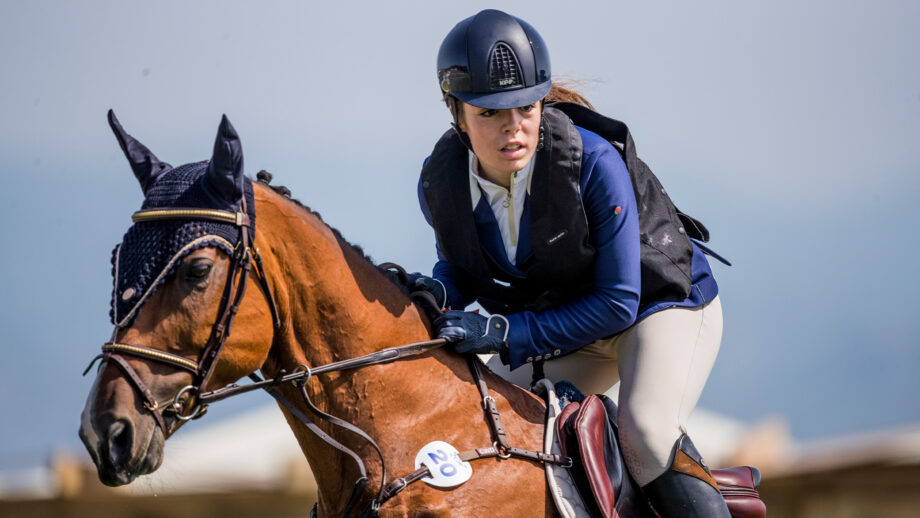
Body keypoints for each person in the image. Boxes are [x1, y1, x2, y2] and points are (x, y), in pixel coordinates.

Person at [410, 9, 731, 517]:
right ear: (457, 114)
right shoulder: (440, 181)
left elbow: (619, 303)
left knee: (645, 434)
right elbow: (463, 267)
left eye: (524, 108)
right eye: (489, 113)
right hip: (572, 323)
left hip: (660, 309)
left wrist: (503, 332)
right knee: (474, 421)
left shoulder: (594, 165)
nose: (512, 128)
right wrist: (431, 295)